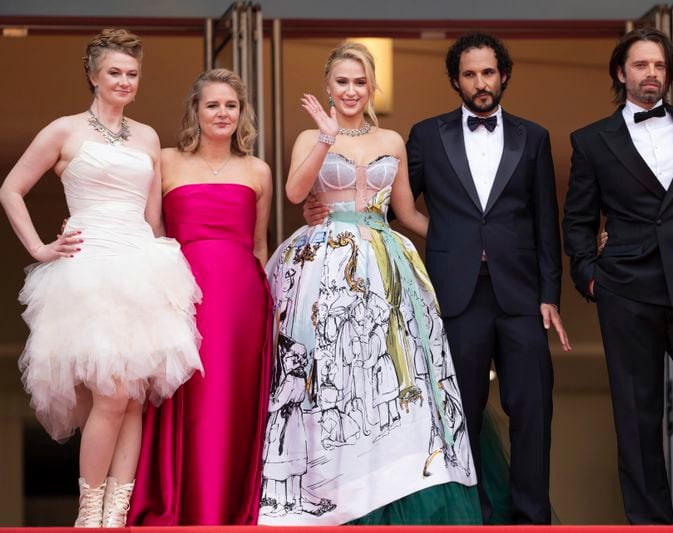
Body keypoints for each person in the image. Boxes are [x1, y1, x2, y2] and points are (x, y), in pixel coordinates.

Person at [304, 33, 568, 525]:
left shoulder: (534, 136)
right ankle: (477, 516)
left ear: (503, 75)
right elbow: (391, 203)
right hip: (454, 292)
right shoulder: (427, 135)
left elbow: (545, 223)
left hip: (520, 294)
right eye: (470, 74)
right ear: (456, 80)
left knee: (532, 409)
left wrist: (550, 294)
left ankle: (532, 519)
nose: (480, 82)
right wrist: (324, 204)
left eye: (488, 72)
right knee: (458, 411)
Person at [259, 41, 480, 526]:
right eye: (342, 82)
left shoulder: (394, 141)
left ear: (372, 87)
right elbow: (296, 192)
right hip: (323, 267)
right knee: (328, 378)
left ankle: (392, 489)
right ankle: (328, 490)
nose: (352, 90)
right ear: (328, 87)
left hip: (385, 267)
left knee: (392, 383)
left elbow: (406, 215)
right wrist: (324, 137)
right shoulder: (309, 136)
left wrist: (468, 240)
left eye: (360, 82)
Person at [0, 29, 203, 527]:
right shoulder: (63, 130)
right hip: (89, 267)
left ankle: (117, 515)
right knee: (110, 394)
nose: (124, 81)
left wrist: (166, 274)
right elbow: (10, 190)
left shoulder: (149, 137)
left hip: (139, 263)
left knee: (131, 399)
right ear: (93, 76)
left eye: (132, 74)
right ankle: (88, 513)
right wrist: (39, 248)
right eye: (114, 72)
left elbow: (153, 219)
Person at [562, 27, 673, 524]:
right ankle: (650, 523)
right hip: (626, 289)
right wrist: (590, 276)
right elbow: (578, 220)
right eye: (641, 65)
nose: (651, 74)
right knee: (636, 416)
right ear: (621, 73)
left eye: (660, 66)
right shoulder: (591, 141)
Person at [127, 69, 273, 525]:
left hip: (243, 301)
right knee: (190, 397)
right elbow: (154, 231)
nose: (222, 113)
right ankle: (187, 508)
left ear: (241, 113)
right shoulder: (166, 161)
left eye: (231, 105)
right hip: (184, 293)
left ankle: (231, 511)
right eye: (213, 105)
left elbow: (259, 246)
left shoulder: (258, 170)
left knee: (234, 403)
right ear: (196, 110)